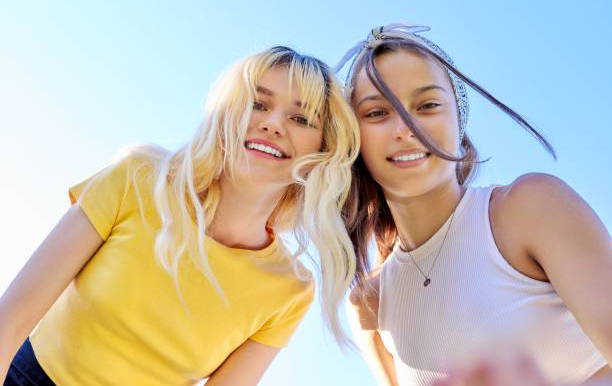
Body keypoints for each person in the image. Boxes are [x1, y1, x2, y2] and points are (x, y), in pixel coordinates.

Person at [0, 45, 360, 385]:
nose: (273, 124)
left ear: (323, 149)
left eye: (300, 118)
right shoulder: (138, 177)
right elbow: (10, 321)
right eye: (257, 104)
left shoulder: (291, 289)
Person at [338, 24, 612, 385]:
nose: (405, 128)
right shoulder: (369, 306)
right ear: (353, 139)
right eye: (376, 113)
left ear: (458, 123)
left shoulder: (529, 209)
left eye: (427, 106)